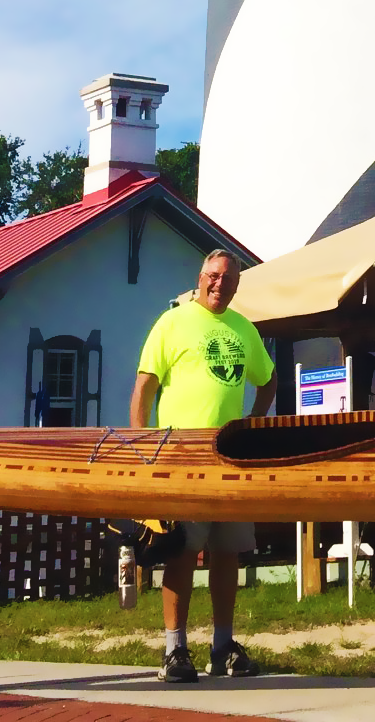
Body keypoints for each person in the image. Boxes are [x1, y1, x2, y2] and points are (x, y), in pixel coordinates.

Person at [131, 248, 276, 684]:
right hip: (181, 454)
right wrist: (143, 448)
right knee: (180, 551)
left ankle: (222, 646)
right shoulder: (172, 323)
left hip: (229, 455)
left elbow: (267, 380)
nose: (220, 284)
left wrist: (253, 422)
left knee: (226, 552)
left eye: (229, 279)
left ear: (236, 285)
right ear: (200, 277)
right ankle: (175, 650)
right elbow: (144, 388)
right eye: (214, 276)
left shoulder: (244, 329)